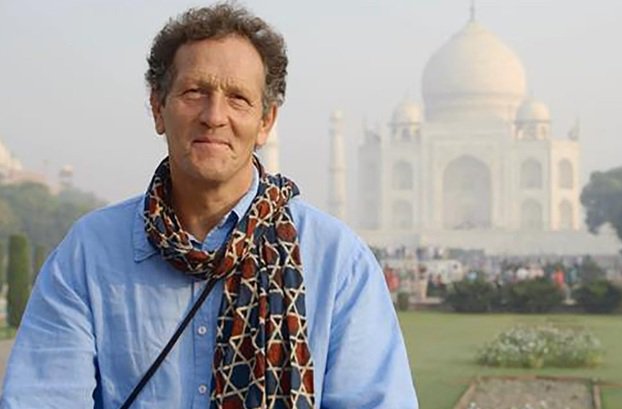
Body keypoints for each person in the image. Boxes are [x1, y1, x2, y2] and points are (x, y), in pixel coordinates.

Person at [1, 4, 418, 409]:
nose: (214, 116)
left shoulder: (335, 261)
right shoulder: (90, 255)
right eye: (194, 92)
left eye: (238, 98)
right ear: (157, 107)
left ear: (266, 122)